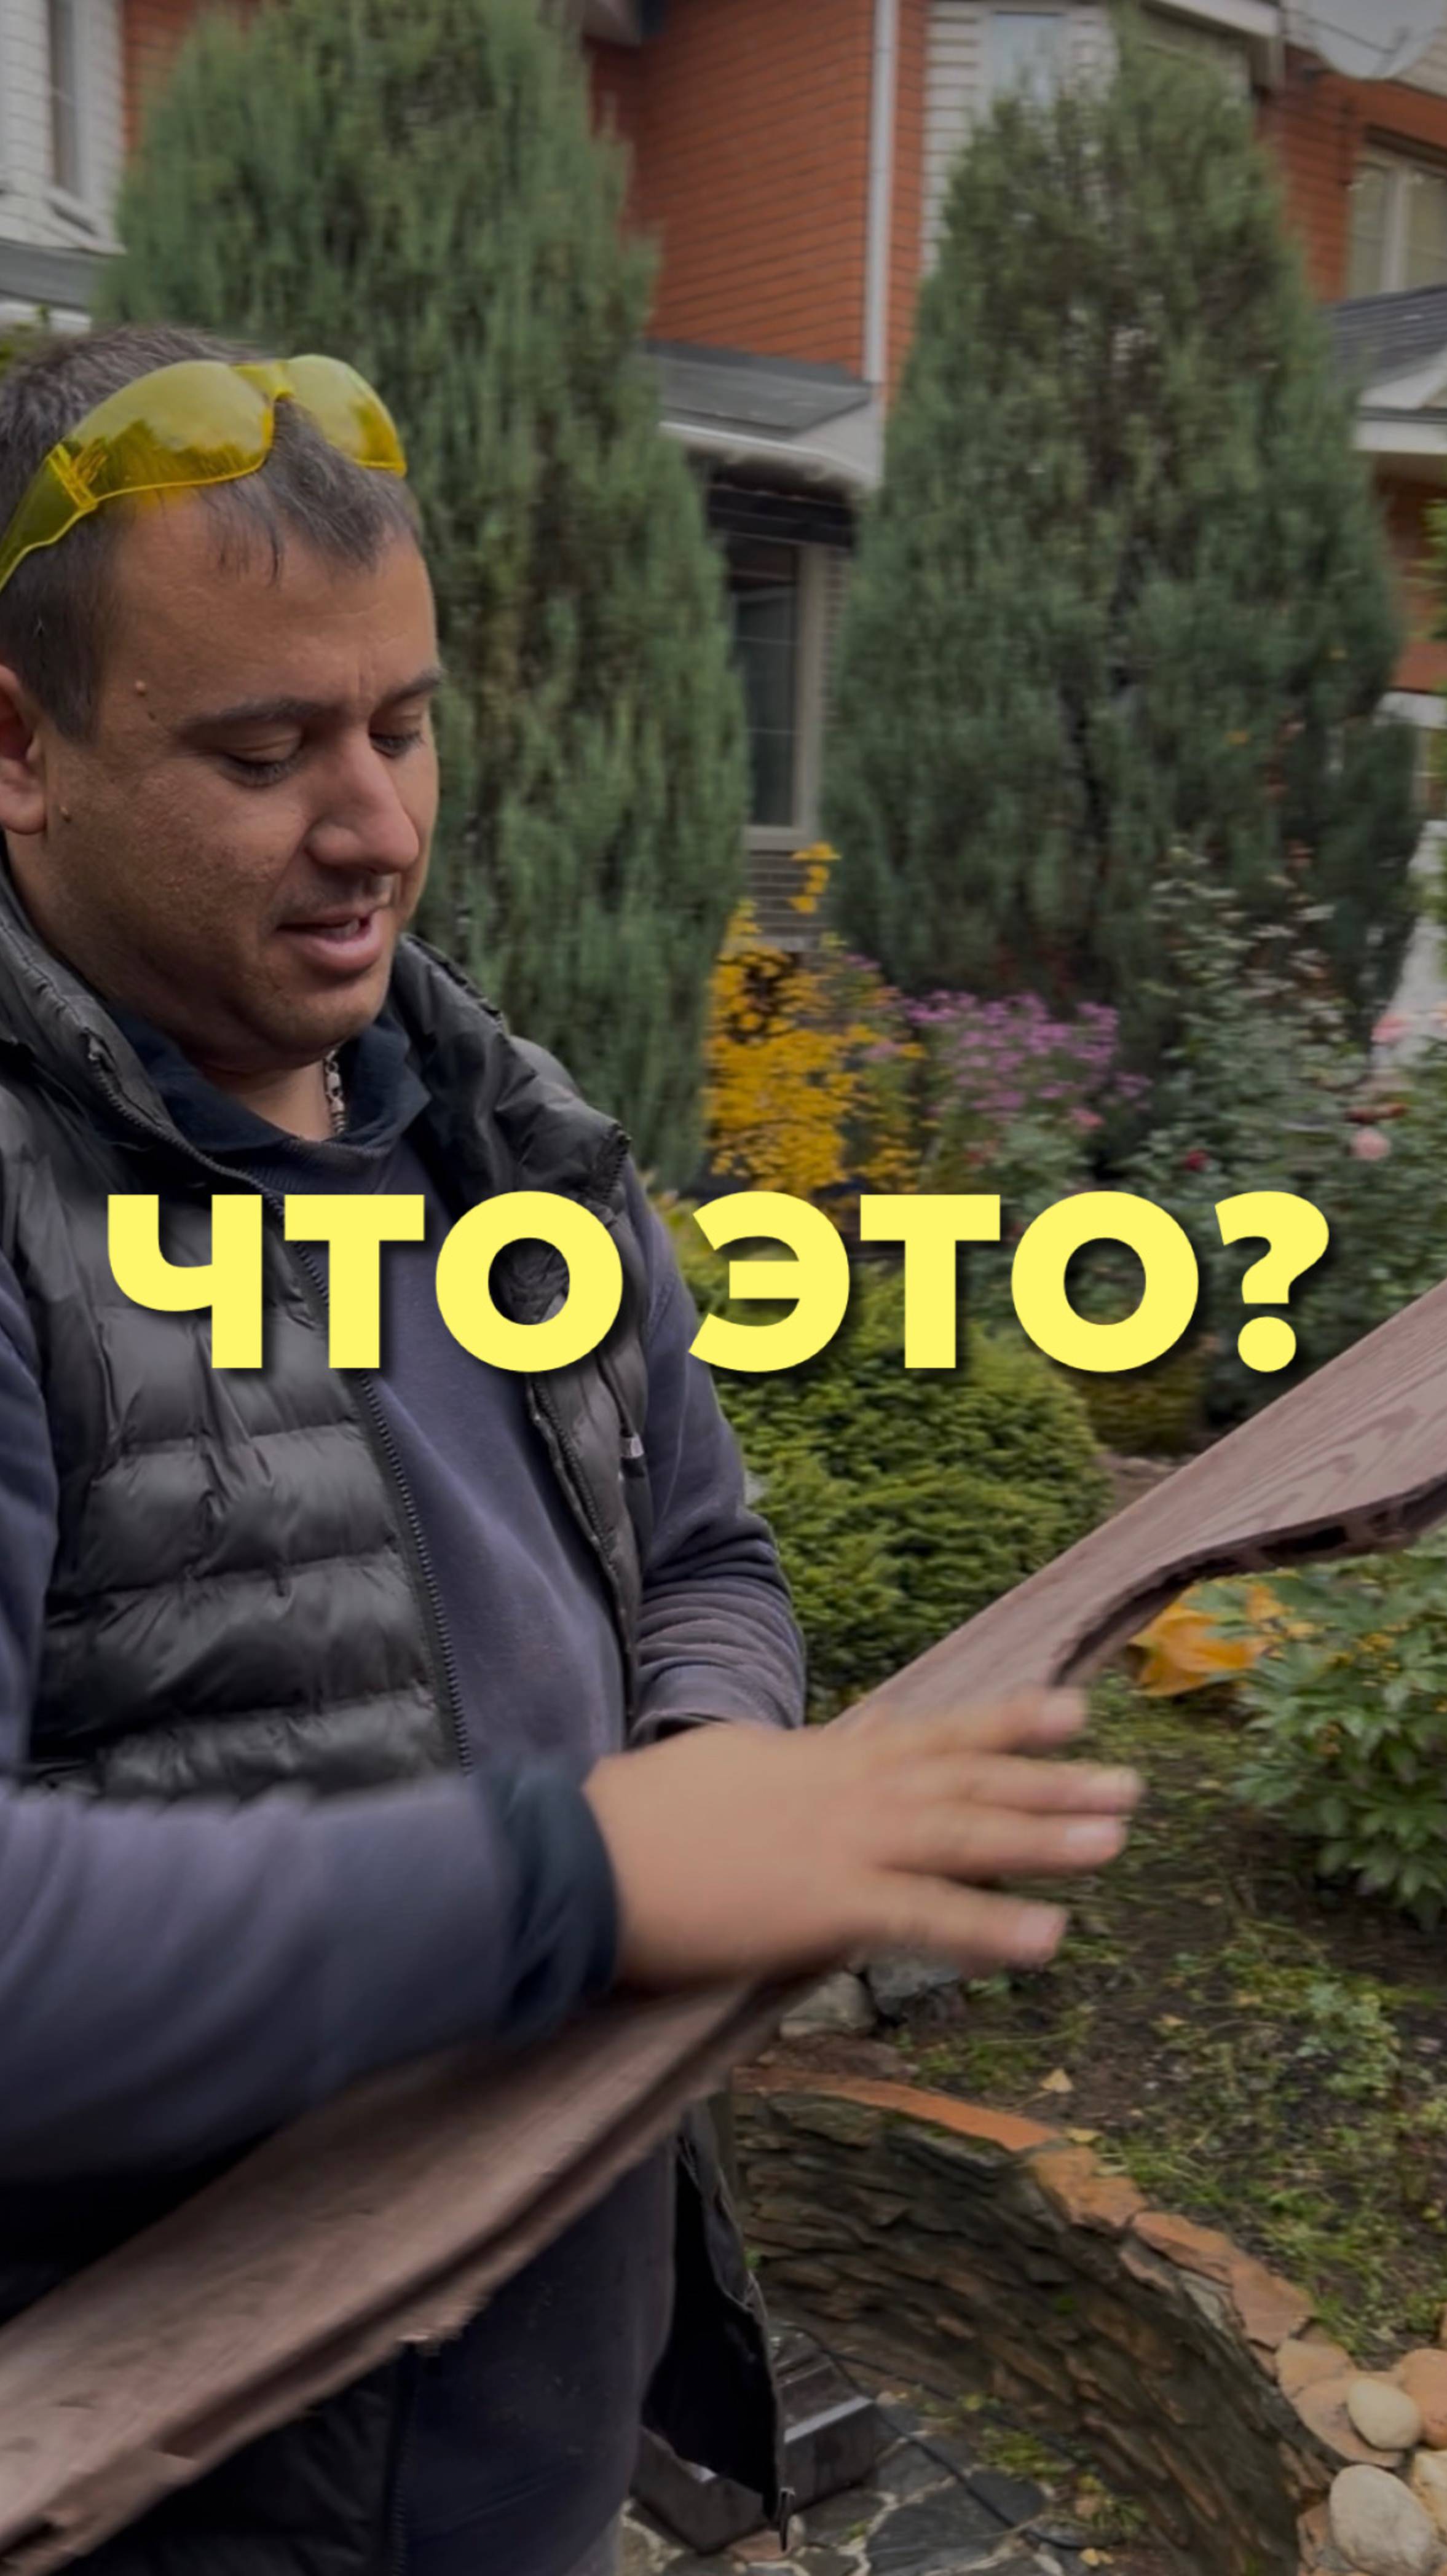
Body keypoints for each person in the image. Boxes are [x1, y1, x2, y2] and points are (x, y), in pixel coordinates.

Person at [0, 323, 1141, 2576]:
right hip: (176, 2504)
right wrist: (589, 1877)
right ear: (20, 749)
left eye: (403, 726)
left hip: (532, 2434)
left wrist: (711, 1768)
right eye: (263, 751)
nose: (375, 827)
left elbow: (700, 1552)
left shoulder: (496, 1128)